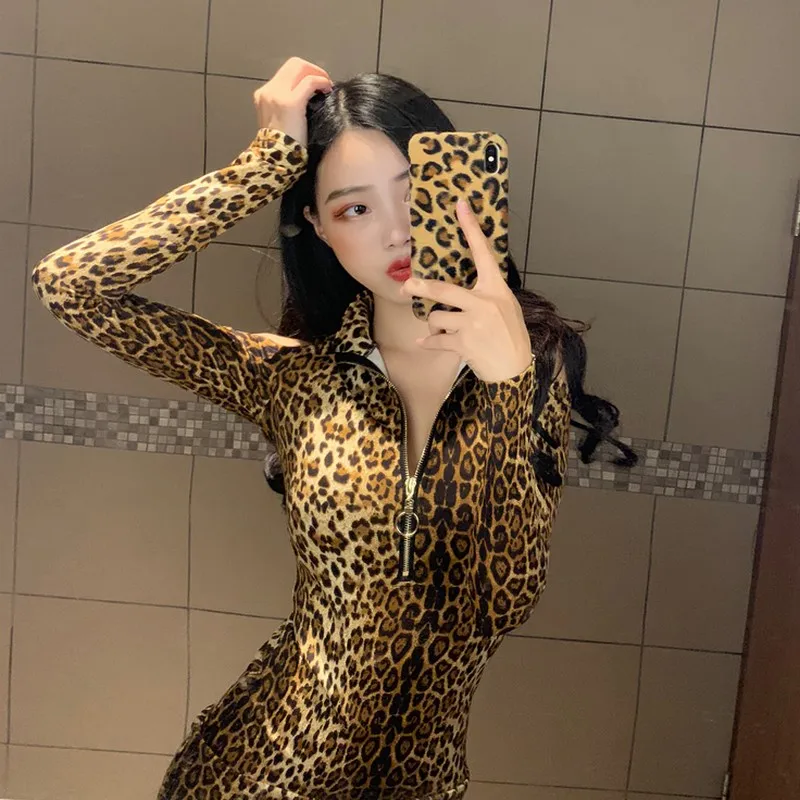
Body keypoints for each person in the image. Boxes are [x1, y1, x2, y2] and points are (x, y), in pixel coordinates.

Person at [31, 56, 636, 800]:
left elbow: (502, 596)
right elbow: (71, 286)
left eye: (415, 194)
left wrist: (508, 385)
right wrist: (262, 167)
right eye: (355, 210)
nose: (397, 232)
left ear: (458, 194)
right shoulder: (290, 376)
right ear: (318, 227)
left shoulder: (530, 369)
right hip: (260, 775)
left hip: (419, 785)